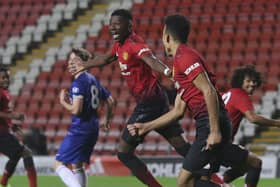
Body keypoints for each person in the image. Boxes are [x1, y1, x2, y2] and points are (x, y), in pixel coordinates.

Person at [127, 14, 261, 187]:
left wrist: (213, 131)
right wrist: (146, 127)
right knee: (205, 177)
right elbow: (177, 111)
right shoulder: (179, 62)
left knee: (185, 182)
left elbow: (209, 90)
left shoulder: (185, 57)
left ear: (167, 36)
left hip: (211, 123)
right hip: (211, 122)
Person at [74, 9, 192, 187]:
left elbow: (151, 60)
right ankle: (215, 176)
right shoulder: (119, 45)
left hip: (149, 104)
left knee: (124, 152)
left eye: (117, 24)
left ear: (129, 26)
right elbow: (106, 59)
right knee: (182, 147)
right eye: (111, 23)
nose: (112, 27)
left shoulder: (134, 44)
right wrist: (84, 65)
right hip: (157, 101)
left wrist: (169, 72)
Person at [54, 48, 114, 187]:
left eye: (74, 61)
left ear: (83, 62)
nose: (70, 64)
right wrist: (107, 120)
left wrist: (63, 102)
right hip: (93, 129)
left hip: (80, 129)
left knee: (58, 164)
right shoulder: (93, 80)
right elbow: (111, 101)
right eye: (69, 61)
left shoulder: (79, 82)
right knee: (77, 165)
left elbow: (77, 110)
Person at [212, 65, 280, 186]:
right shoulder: (240, 94)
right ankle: (219, 182)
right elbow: (252, 118)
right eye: (248, 81)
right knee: (256, 163)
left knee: (244, 166)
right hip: (221, 144)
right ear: (239, 81)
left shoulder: (229, 93)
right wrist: (276, 123)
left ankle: (221, 180)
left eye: (254, 81)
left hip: (212, 141)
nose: (252, 84)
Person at [0, 66, 37, 187]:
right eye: (3, 77)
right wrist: (13, 116)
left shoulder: (5, 92)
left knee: (16, 155)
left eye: (7, 77)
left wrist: (12, 125)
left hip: (4, 131)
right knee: (26, 153)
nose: (6, 79)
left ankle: (3, 182)